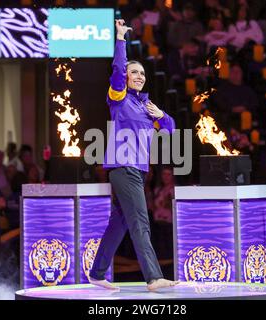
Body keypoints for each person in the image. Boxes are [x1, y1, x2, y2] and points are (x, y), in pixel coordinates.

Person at [89, 19, 179, 292]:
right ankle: (153, 277)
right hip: (123, 167)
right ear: (126, 77)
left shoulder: (144, 106)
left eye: (142, 73)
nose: (139, 76)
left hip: (136, 170)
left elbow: (171, 130)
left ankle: (97, 272)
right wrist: (120, 39)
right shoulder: (119, 97)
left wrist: (162, 115)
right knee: (140, 220)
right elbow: (117, 68)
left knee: (120, 223)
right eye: (134, 72)